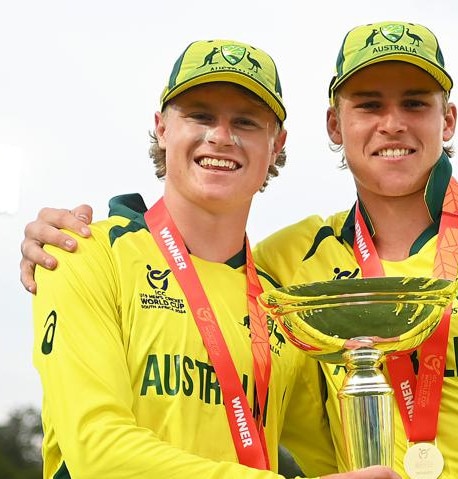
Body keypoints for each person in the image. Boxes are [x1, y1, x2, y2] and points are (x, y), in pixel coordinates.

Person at [20, 21, 458, 478]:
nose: (392, 123)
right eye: (369, 104)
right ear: (334, 125)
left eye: (415, 102)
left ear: (448, 120)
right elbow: (98, 441)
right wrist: (51, 241)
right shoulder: (288, 268)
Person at [25, 36, 400, 479]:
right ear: (162, 127)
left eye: (245, 122)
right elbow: (98, 453)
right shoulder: (83, 253)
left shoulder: (280, 306)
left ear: (275, 145)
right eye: (200, 116)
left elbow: (339, 458)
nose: (221, 137)